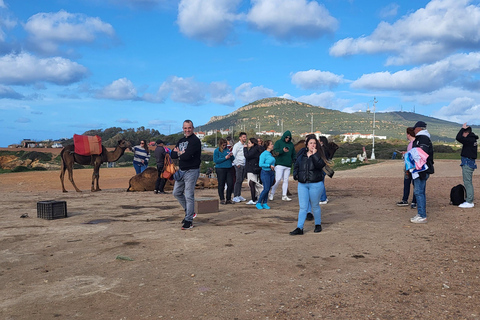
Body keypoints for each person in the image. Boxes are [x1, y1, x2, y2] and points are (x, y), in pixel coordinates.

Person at [290, 135, 326, 235]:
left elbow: (320, 165)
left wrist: (315, 155)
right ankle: (299, 227)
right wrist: (296, 175)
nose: (312, 145)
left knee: (315, 205)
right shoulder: (302, 155)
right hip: (302, 184)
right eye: (310, 143)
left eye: (314, 143)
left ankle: (318, 224)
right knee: (303, 207)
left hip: (315, 184)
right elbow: (296, 165)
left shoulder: (319, 155)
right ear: (307, 144)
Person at [171, 120, 202, 230]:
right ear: (183, 128)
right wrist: (180, 154)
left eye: (189, 128)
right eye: (185, 128)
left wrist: (180, 153)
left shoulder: (195, 141)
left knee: (189, 195)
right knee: (176, 192)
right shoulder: (181, 140)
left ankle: (189, 220)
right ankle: (190, 211)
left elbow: (187, 156)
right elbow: (172, 154)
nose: (187, 130)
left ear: (193, 128)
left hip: (192, 171)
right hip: (182, 170)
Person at [410, 121, 434, 224]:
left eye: (414, 129)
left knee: (419, 192)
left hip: (421, 169)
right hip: (421, 169)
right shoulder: (422, 138)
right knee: (420, 192)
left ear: (419, 129)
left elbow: (421, 154)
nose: (414, 131)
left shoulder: (423, 139)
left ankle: (422, 215)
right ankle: (420, 213)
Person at [456, 123, 478, 208]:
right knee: (468, 181)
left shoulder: (469, 140)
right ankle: (469, 198)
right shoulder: (472, 139)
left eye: (463, 133)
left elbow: (458, 138)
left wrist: (462, 129)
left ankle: (469, 201)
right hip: (470, 162)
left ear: (466, 133)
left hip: (467, 162)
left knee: (467, 182)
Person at [269, 130, 296, 201]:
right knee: (278, 179)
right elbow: (274, 152)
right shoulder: (278, 142)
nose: (287, 139)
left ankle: (284, 195)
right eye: (286, 137)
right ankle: (272, 193)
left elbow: (293, 154)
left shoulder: (291, 145)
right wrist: (282, 150)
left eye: (289, 138)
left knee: (286, 180)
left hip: (288, 165)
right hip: (279, 164)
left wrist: (294, 161)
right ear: (284, 137)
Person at [397, 127, 417, 208]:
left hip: (412, 166)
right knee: (409, 183)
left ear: (408, 134)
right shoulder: (412, 143)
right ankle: (410, 200)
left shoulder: (413, 143)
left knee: (411, 183)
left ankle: (412, 201)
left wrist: (406, 154)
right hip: (410, 166)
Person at [213, 138, 235, 205]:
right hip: (220, 168)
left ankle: (228, 198)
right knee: (221, 184)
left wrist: (231, 156)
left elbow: (233, 159)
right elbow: (216, 160)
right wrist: (225, 158)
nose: (224, 146)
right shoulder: (217, 151)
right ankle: (222, 199)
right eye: (223, 145)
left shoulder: (227, 150)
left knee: (230, 183)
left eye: (225, 145)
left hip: (229, 168)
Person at [256, 140, 276, 210]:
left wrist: (272, 167)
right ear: (267, 146)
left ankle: (265, 202)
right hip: (265, 172)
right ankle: (258, 202)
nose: (272, 145)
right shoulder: (263, 154)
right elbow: (260, 164)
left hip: (271, 172)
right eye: (271, 144)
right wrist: (269, 165)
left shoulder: (270, 154)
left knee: (268, 189)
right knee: (266, 188)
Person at [244, 137, 263, 205]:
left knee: (252, 183)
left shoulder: (254, 150)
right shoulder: (255, 149)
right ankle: (255, 197)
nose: (248, 144)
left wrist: (245, 149)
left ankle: (254, 198)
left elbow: (247, 156)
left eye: (249, 143)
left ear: (253, 143)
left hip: (252, 168)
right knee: (252, 183)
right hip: (253, 168)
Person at [232, 132, 247, 203]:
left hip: (244, 165)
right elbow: (233, 155)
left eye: (245, 137)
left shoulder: (245, 145)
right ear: (240, 137)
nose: (245, 138)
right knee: (238, 180)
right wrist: (236, 163)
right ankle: (235, 196)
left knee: (241, 180)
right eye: (243, 137)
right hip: (238, 165)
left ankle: (239, 194)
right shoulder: (237, 145)